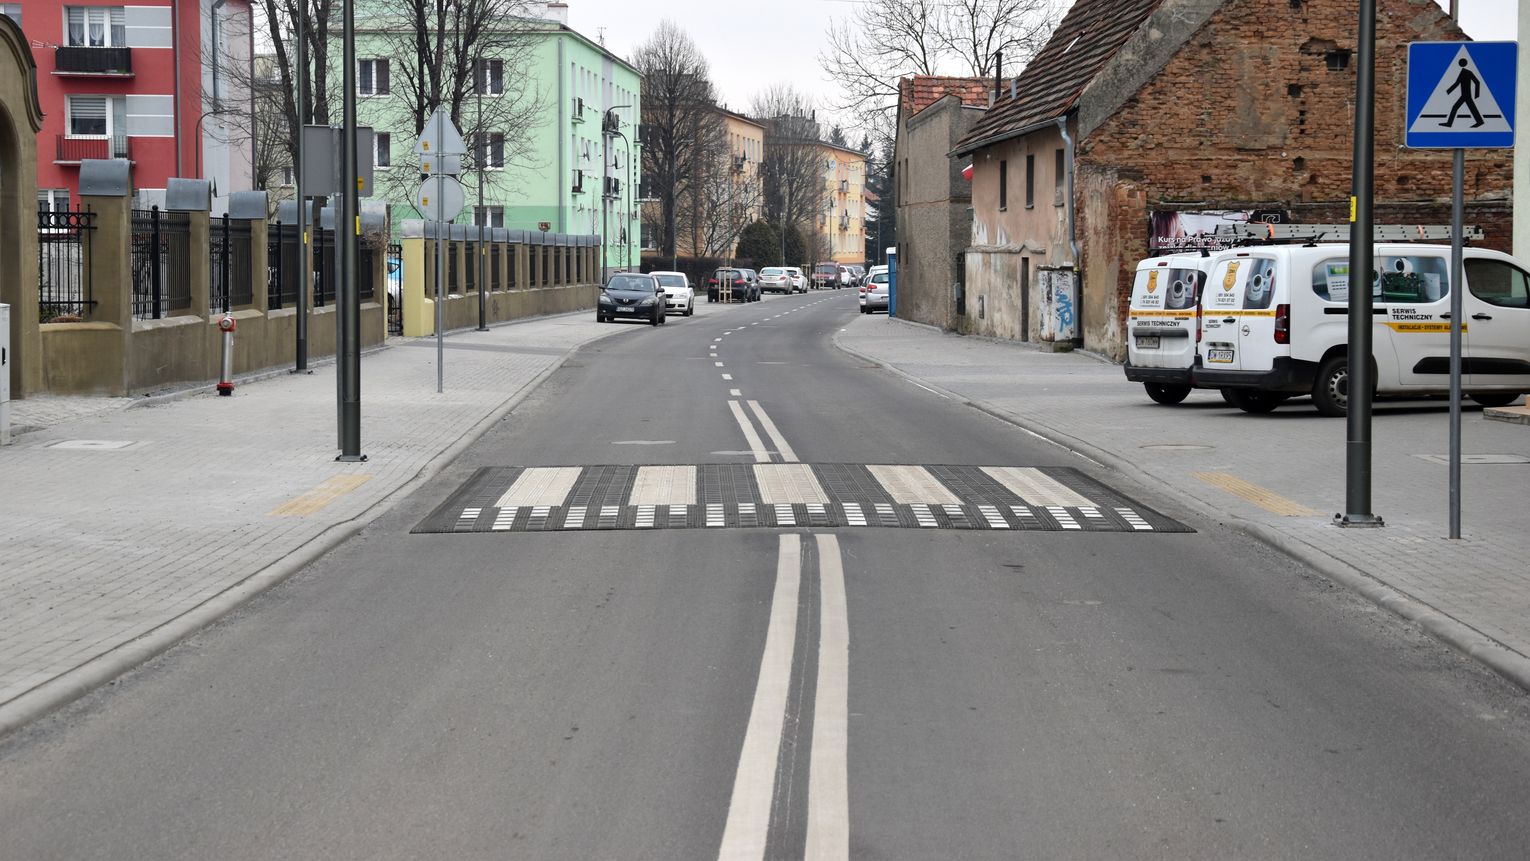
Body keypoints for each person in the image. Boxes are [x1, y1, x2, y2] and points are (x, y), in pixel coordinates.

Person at [1443, 58, 1485, 129]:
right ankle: (1480, 121)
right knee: (1470, 108)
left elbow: (1477, 82)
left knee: (1456, 107)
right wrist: (1448, 91)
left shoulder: (1465, 72)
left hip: (1466, 95)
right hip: (1465, 95)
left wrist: (1476, 95)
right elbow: (1458, 83)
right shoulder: (1466, 72)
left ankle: (1449, 123)